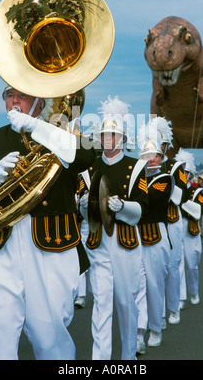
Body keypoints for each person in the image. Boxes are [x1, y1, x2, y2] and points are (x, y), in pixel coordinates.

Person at [0, 86, 96, 360]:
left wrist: (38, 127)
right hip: (0, 251)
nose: (14, 101)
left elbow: (87, 155)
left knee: (51, 341)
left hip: (50, 249)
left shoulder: (61, 135)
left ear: (40, 99)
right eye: (8, 95)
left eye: (21, 94)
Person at [78, 96, 149, 360]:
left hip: (126, 241)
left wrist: (124, 207)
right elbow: (83, 212)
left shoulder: (136, 166)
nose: (109, 139)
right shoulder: (89, 168)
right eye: (105, 134)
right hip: (98, 242)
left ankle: (128, 356)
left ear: (122, 138)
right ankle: (100, 359)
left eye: (113, 135)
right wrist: (84, 205)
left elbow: (143, 208)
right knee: (101, 304)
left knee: (126, 303)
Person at [136, 120, 174, 349]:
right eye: (146, 155)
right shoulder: (137, 178)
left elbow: (150, 202)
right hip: (133, 237)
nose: (151, 159)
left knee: (154, 284)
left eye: (155, 155)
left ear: (161, 158)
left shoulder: (165, 179)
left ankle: (156, 327)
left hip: (155, 236)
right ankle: (140, 331)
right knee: (137, 285)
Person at [157, 117, 188, 326]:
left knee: (173, 265)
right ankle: (157, 314)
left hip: (172, 220)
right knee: (155, 270)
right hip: (152, 223)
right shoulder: (142, 166)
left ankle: (173, 307)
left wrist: (164, 185)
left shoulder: (177, 167)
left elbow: (183, 196)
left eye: (159, 144)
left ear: (166, 146)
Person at [176, 149, 203, 307]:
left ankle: (194, 291)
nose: (184, 175)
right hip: (176, 227)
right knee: (178, 263)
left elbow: (198, 211)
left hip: (190, 229)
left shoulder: (197, 191)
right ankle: (181, 297)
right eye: (181, 172)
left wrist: (181, 200)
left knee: (192, 264)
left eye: (186, 172)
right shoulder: (173, 189)